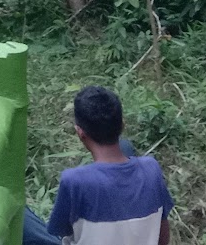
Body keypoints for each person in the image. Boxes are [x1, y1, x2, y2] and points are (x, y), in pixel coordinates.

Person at [30, 86, 174, 245]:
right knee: (125, 147)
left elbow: (62, 230)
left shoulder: (74, 181)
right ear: (122, 125)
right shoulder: (151, 169)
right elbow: (163, 233)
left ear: (80, 133)